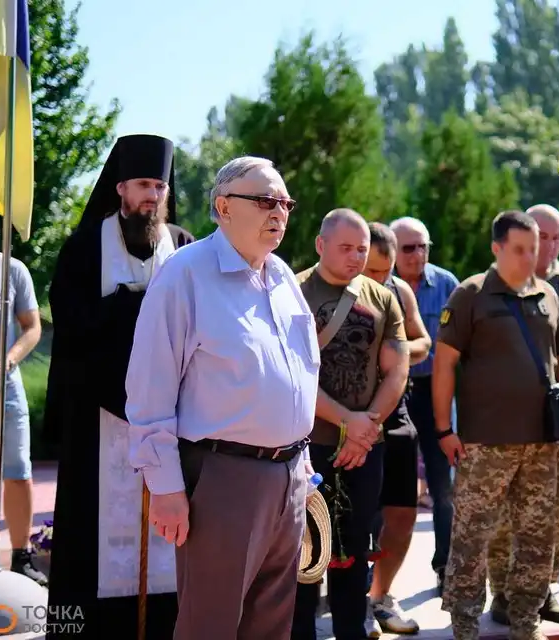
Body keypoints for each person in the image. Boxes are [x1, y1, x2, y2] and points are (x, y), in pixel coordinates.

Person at [125, 155, 318, 639]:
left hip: (289, 476)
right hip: (222, 476)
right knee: (208, 625)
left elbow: (299, 376)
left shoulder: (282, 277)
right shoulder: (185, 274)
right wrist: (165, 488)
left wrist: (303, 467)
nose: (279, 213)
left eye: (286, 204)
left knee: (272, 625)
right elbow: (150, 387)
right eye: (266, 201)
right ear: (224, 207)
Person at [45, 134, 195, 638]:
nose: (152, 195)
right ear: (120, 188)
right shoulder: (85, 248)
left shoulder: (184, 247)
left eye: (159, 186)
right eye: (143, 185)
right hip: (99, 420)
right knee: (91, 538)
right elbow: (72, 326)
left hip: (172, 419)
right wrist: (133, 303)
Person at [434, 210, 559, 640]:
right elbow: (444, 364)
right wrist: (444, 430)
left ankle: (525, 621)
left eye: (534, 249)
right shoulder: (471, 294)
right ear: (497, 248)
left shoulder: (547, 295)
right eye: (519, 249)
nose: (530, 257)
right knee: (472, 537)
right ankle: (464, 624)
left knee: (536, 537)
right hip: (485, 443)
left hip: (541, 443)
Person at [292, 209, 409, 640]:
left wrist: (366, 428)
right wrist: (349, 423)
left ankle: (351, 632)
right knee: (305, 553)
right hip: (306, 448)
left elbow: (397, 369)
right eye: (346, 248)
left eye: (362, 249)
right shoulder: (293, 292)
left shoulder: (382, 297)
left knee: (354, 550)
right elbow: (291, 374)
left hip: (363, 448)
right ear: (321, 245)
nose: (356, 257)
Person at [487, 204, 559, 626]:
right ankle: (502, 593)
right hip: (507, 419)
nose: (547, 246)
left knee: (555, 508)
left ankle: (541, 589)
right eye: (541, 237)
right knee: (506, 512)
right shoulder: (496, 282)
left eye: (555, 238)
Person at [364, 222, 431, 635]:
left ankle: (381, 596)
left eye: (384, 272)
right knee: (351, 517)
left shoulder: (400, 292)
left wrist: (397, 349)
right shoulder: (332, 292)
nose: (378, 279)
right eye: (371, 271)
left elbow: (424, 341)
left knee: (403, 513)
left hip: (397, 414)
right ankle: (352, 601)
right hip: (347, 417)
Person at [0, 200, 44, 581]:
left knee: (17, 467)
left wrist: (10, 357)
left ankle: (21, 556)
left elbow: (32, 327)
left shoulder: (12, 269)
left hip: (2, 384)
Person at [389, 216, 459, 592]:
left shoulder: (447, 285)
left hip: (437, 391)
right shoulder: (380, 284)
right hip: (391, 391)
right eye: (409, 247)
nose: (418, 254)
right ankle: (371, 574)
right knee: (383, 486)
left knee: (443, 485)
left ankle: (446, 567)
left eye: (423, 246)